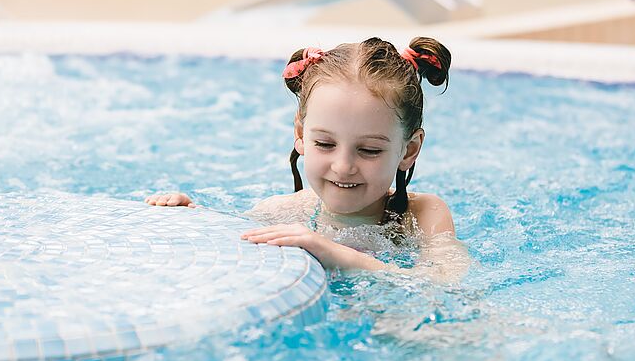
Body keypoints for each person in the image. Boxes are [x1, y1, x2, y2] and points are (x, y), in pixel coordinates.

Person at [146, 36, 468, 281]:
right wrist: (193, 217)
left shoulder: (421, 216)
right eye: (325, 143)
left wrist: (337, 254)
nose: (343, 166)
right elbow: (236, 239)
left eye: (369, 150)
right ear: (301, 134)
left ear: (408, 150)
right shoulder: (285, 212)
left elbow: (445, 283)